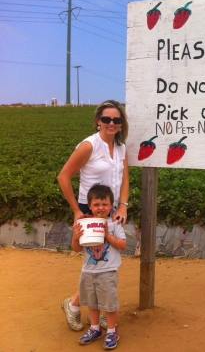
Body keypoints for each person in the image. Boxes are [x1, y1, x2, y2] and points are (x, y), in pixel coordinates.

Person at [57, 100, 129, 331]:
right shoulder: (89, 146)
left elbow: (125, 179)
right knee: (95, 262)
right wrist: (78, 211)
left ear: (120, 124)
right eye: (106, 119)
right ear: (98, 120)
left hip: (113, 210)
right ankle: (75, 305)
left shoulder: (121, 148)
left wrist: (123, 206)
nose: (111, 123)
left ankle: (85, 308)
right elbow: (63, 177)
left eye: (116, 120)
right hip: (90, 211)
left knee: (106, 260)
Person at [71, 184, 127, 349]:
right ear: (89, 206)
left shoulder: (115, 224)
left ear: (111, 205)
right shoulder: (83, 223)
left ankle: (111, 331)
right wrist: (75, 237)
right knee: (92, 303)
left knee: (109, 303)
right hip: (88, 271)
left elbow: (123, 244)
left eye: (105, 204)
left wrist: (107, 235)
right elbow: (76, 249)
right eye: (96, 204)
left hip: (107, 272)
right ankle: (95, 329)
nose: (100, 208)